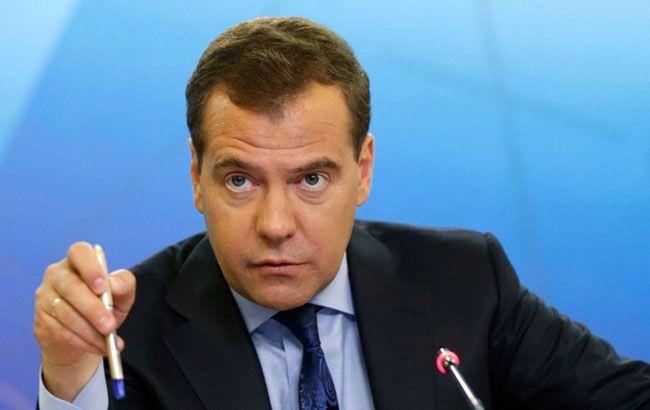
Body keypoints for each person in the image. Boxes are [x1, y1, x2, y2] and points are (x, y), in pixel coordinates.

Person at [33, 17, 650, 410]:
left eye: (311, 179)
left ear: (365, 170)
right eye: (240, 180)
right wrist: (67, 375)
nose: (276, 225)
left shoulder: (464, 282)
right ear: (197, 177)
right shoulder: (124, 337)